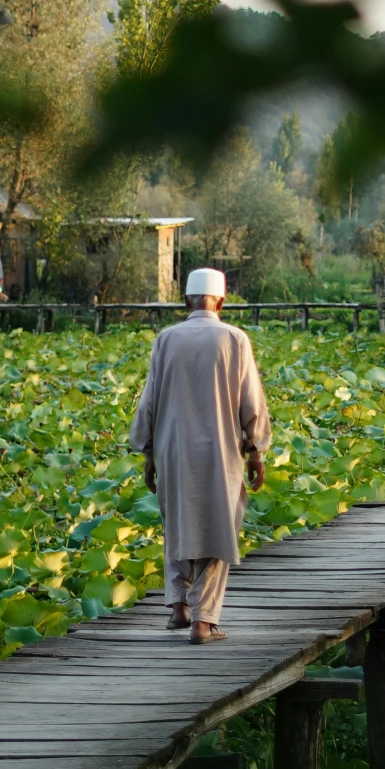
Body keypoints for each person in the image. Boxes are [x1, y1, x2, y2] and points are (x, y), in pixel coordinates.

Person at [128, 267, 272, 645]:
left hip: (172, 450)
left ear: (185, 300)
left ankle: (178, 605)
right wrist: (256, 450)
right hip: (220, 453)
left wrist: (147, 452)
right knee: (216, 529)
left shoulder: (166, 339)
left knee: (178, 521)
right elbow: (251, 401)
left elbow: (150, 400)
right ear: (221, 301)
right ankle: (204, 621)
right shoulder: (235, 339)